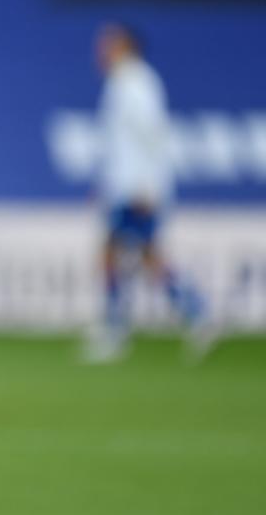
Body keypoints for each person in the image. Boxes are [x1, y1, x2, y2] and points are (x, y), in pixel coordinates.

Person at [84, 23, 212, 363]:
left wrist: (149, 186)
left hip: (138, 190)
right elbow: (119, 145)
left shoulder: (139, 84)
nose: (100, 51)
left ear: (125, 46)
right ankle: (195, 313)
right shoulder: (121, 84)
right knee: (145, 257)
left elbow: (153, 137)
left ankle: (116, 329)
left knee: (122, 254)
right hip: (124, 187)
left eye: (107, 44)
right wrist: (105, 185)